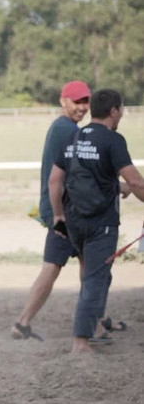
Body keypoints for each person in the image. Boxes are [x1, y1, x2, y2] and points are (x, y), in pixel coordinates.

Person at [49, 88, 144, 353]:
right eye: (121, 108)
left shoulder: (74, 136)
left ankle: (98, 327)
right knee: (94, 278)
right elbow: (135, 181)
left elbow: (55, 180)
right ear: (114, 111)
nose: (122, 113)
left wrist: (58, 216)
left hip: (74, 221)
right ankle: (81, 341)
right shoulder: (113, 140)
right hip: (101, 224)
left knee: (98, 275)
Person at [12, 80, 90, 341]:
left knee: (83, 263)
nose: (82, 107)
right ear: (63, 101)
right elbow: (68, 176)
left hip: (64, 210)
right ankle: (23, 322)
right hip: (63, 213)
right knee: (55, 267)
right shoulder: (67, 130)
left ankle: (98, 320)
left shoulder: (64, 127)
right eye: (77, 101)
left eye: (86, 101)